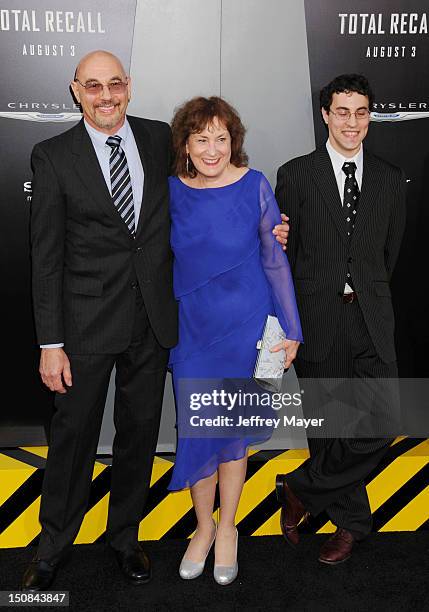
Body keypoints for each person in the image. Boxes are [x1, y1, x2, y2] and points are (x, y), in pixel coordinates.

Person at [22, 50, 178, 590]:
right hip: (85, 327)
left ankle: (125, 539)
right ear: (75, 91)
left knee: (139, 435)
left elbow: (208, 184)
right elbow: (45, 257)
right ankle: (52, 550)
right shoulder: (52, 155)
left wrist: (265, 225)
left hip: (152, 322)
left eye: (114, 84)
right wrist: (51, 342)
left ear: (129, 86)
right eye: (93, 86)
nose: (105, 95)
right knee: (74, 440)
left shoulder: (161, 139)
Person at [167, 96, 303, 585]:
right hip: (191, 333)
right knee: (199, 430)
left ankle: (228, 528)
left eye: (220, 138)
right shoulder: (169, 193)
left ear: (233, 142)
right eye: (201, 138)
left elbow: (273, 260)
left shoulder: (255, 186)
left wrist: (292, 328)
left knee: (233, 433)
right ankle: (201, 528)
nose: (211, 148)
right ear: (185, 144)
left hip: (246, 328)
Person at [275, 74, 406, 564]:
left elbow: (388, 253)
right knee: (331, 426)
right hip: (317, 315)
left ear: (369, 116)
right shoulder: (295, 174)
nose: (352, 122)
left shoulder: (391, 179)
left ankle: (301, 489)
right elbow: (282, 255)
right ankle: (350, 526)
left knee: (382, 420)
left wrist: (362, 292)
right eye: (342, 112)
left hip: (372, 316)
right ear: (325, 114)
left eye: (361, 112)